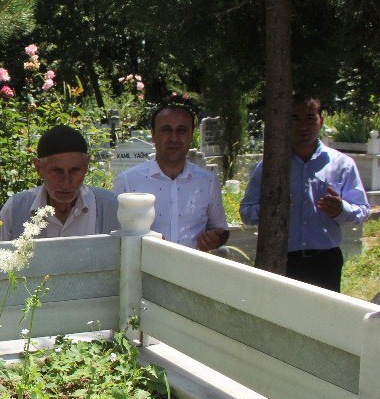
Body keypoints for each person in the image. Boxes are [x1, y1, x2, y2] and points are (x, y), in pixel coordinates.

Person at [240, 95, 370, 291]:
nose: (303, 126)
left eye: (310, 118)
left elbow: (362, 211)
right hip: (281, 260)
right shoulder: (270, 166)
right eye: (295, 118)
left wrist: (340, 209)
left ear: (321, 121)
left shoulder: (341, 164)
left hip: (325, 261)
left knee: (323, 318)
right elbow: (246, 212)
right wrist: (272, 209)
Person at [113, 104, 230, 251]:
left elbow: (221, 228)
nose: (174, 138)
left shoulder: (207, 181)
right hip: (145, 271)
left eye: (181, 130)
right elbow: (113, 235)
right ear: (154, 135)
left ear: (191, 135)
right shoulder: (128, 181)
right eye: (166, 130)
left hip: (192, 270)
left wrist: (215, 239)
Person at [0, 125, 119, 240]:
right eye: (57, 171)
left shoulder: (110, 208)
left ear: (86, 165)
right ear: (39, 168)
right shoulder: (15, 209)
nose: (66, 183)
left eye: (74, 170)